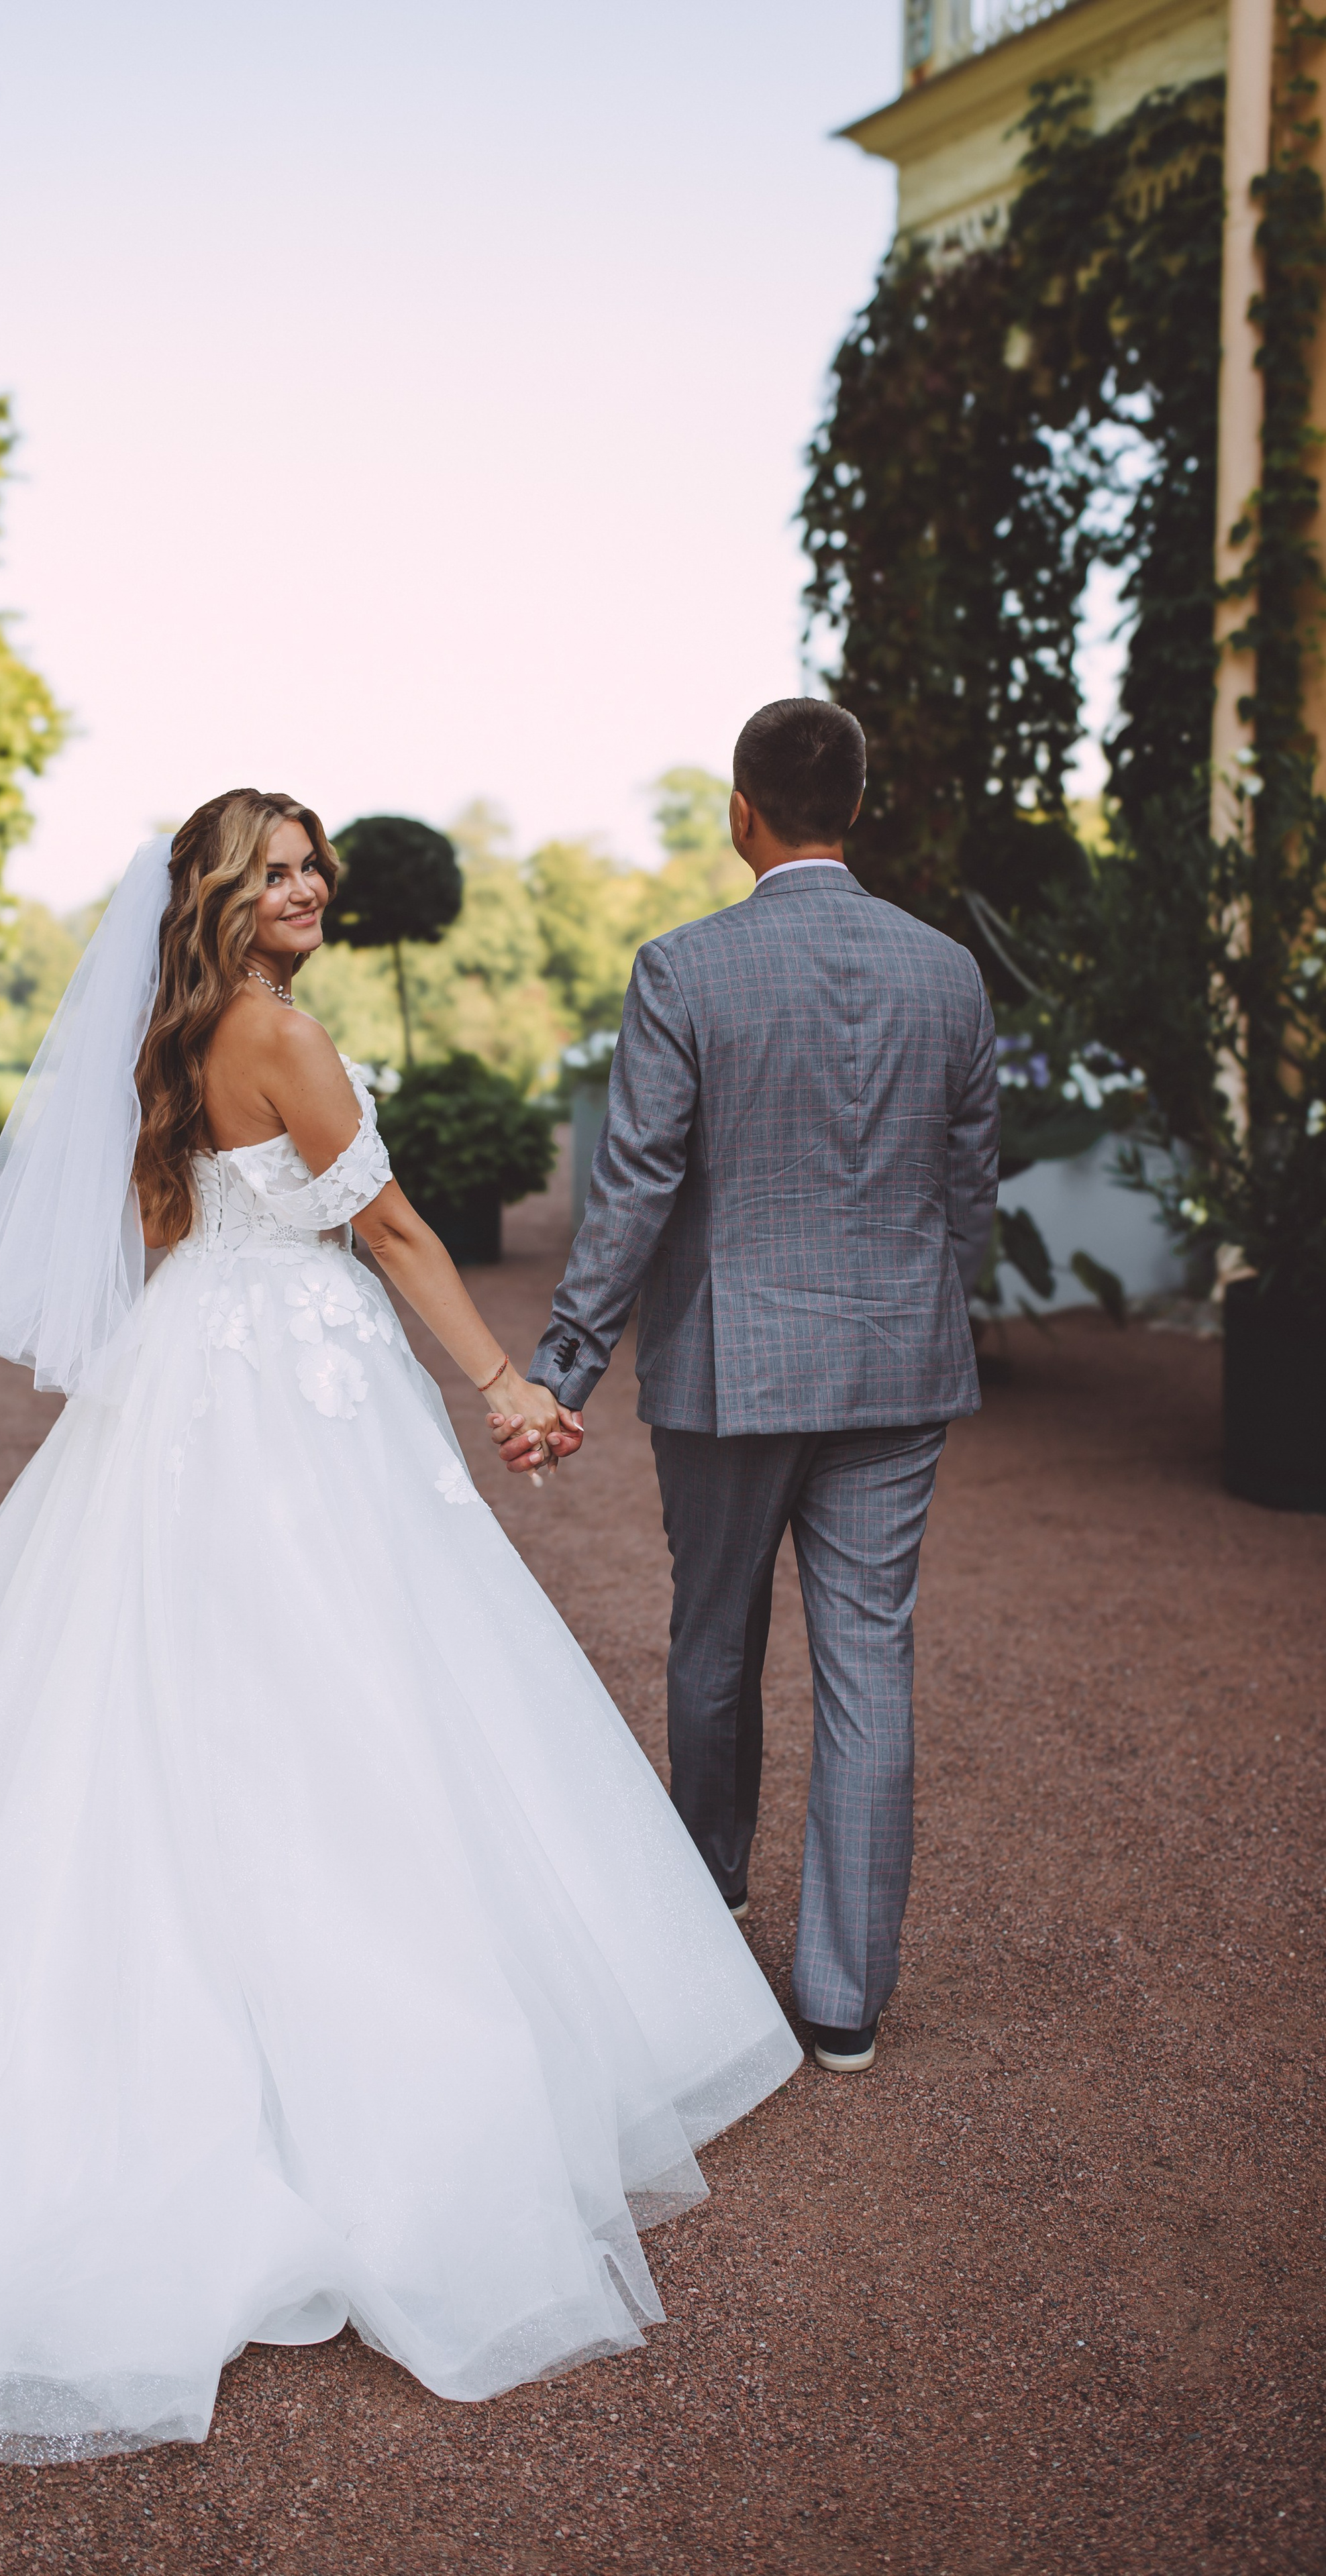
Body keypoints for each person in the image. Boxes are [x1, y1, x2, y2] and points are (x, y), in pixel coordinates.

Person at [0, 789, 801, 2468]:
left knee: (154, 1691)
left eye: (313, 863)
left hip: (200, 1366)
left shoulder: (171, 1038)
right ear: (218, 897)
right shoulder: (280, 1035)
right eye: (277, 871)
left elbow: (179, 1232)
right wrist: (504, 1390)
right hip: (297, 1391)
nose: (311, 887)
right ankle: (347, 2067)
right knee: (345, 1691)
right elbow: (388, 1226)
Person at [501, 702, 999, 2076]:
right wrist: (931, 1301)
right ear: (855, 802)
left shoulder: (682, 968)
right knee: (868, 1663)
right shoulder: (945, 971)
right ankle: (842, 1999)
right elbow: (969, 1184)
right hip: (896, 1367)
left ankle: (707, 1894)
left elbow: (635, 1185)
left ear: (740, 811)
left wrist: (565, 1362)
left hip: (732, 1367)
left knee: (713, 1639)